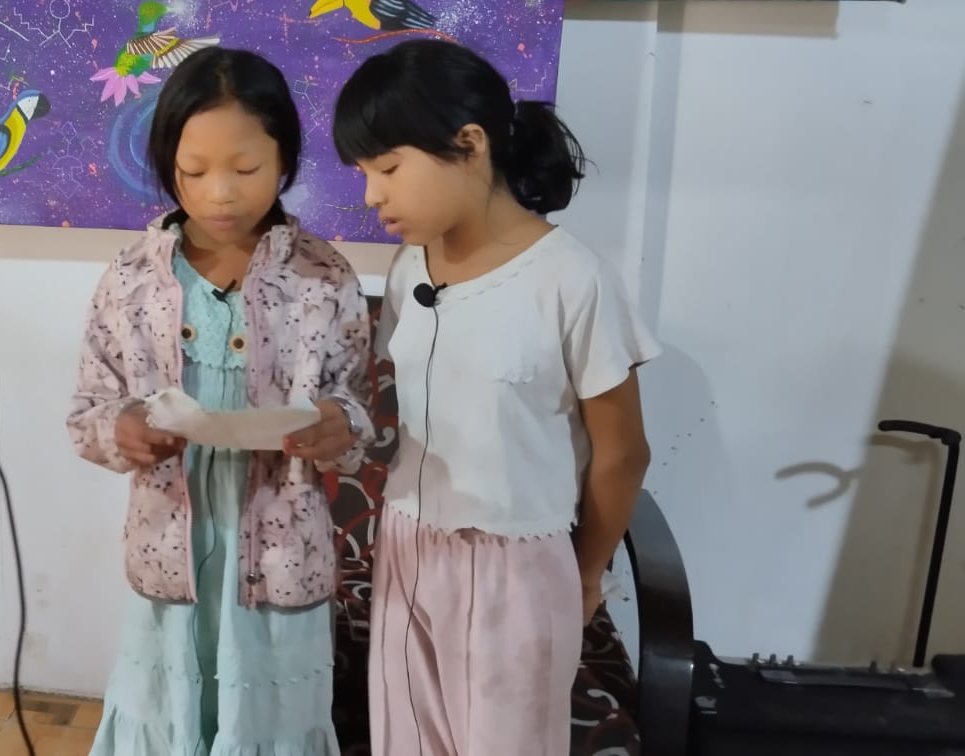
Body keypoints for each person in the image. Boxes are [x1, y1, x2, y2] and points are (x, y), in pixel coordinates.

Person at [332, 39, 660, 756]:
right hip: (407, 544)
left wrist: (585, 575)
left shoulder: (572, 280)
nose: (372, 195)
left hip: (517, 564)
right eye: (364, 174)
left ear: (470, 144)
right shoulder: (409, 266)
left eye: (388, 168)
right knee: (405, 741)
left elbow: (623, 453)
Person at [70, 47, 373, 756]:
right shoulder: (130, 279)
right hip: (170, 544)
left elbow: (356, 410)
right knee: (166, 716)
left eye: (246, 169)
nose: (221, 194)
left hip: (281, 549)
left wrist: (339, 426)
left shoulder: (323, 276)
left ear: (285, 160)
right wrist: (122, 429)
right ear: (166, 163)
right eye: (195, 170)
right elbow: (87, 412)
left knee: (267, 720)